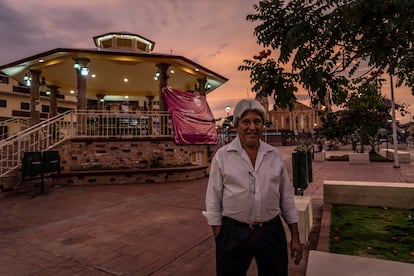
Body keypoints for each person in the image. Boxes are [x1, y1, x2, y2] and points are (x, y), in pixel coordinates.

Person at [202, 99, 303, 276]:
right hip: (233, 232)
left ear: (263, 125)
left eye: (257, 121)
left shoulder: (274, 156)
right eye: (246, 122)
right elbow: (213, 199)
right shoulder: (223, 157)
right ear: (236, 125)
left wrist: (295, 235)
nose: (252, 127)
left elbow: (286, 198)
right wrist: (219, 235)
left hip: (271, 231)